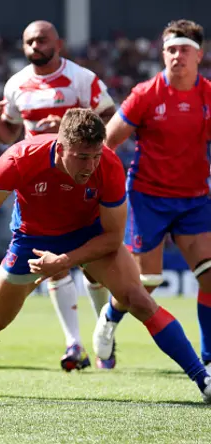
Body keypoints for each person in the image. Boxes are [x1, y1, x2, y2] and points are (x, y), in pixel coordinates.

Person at [0, 109, 211, 403]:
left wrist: (64, 260)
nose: (91, 165)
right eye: (82, 156)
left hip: (90, 235)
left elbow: (114, 237)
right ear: (60, 146)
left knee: (139, 299)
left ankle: (203, 379)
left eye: (94, 156)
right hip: (31, 240)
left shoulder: (109, 164)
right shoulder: (18, 159)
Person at [0, 20, 117, 370]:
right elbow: (8, 135)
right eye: (28, 41)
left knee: (91, 269)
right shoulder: (16, 84)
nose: (34, 46)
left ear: (58, 42)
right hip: (38, 186)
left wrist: (69, 130)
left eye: (41, 39)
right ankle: (74, 345)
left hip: (78, 182)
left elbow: (110, 116)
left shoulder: (81, 79)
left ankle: (106, 335)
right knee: (50, 265)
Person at [98, 19, 211, 373]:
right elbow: (107, 143)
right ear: (163, 54)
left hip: (195, 199)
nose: (177, 56)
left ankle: (208, 357)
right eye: (171, 50)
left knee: (209, 276)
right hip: (148, 198)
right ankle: (110, 316)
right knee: (146, 284)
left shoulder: (208, 95)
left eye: (185, 50)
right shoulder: (146, 94)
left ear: (199, 55)